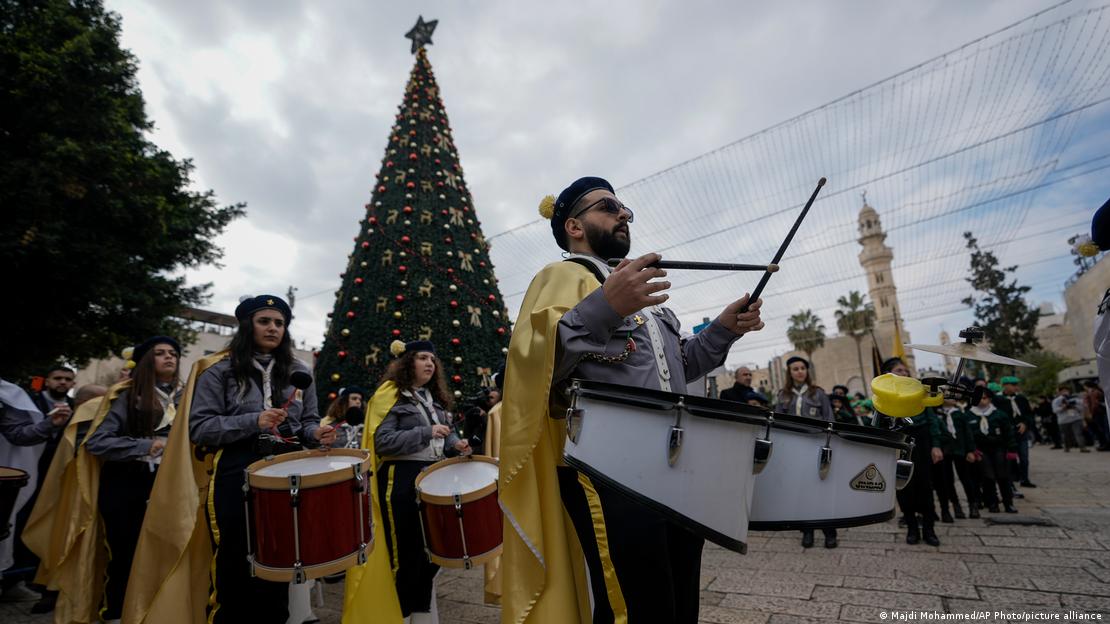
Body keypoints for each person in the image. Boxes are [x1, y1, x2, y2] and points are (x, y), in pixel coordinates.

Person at [499, 176, 764, 623]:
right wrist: (605, 306)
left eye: (625, 209)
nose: (623, 214)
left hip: (676, 466)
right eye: (608, 207)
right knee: (635, 604)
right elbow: (532, 368)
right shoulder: (558, 277)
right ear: (574, 227)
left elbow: (678, 365)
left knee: (679, 597)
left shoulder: (644, 297)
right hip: (607, 469)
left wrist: (723, 330)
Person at [183, 295, 333, 623]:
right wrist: (254, 420)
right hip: (237, 468)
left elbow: (308, 421)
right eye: (264, 321)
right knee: (235, 560)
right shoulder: (218, 370)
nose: (273, 328)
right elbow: (200, 427)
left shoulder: (300, 371)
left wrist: (316, 433)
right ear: (247, 325)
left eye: (279, 323)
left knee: (279, 558)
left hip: (288, 469)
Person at [83, 337, 180, 622]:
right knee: (125, 553)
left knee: (168, 552)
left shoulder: (188, 396)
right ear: (146, 361)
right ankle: (115, 613)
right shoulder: (125, 395)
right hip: (126, 482)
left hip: (171, 483)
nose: (169, 357)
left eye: (173, 353)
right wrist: (147, 445)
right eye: (160, 353)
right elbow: (97, 442)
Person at [372, 339, 469, 621]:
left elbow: (446, 433)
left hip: (432, 477)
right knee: (404, 554)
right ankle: (398, 614)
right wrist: (426, 432)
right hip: (400, 478)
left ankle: (421, 613)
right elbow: (382, 442)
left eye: (432, 359)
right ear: (407, 362)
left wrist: (455, 444)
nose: (429, 363)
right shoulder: (390, 396)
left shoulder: (433, 398)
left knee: (432, 551)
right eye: (422, 358)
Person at [775, 356, 837, 549]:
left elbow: (830, 419)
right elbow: (778, 423)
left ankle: (829, 532)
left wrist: (830, 446)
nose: (800, 371)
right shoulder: (783, 395)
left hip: (817, 448)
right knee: (802, 492)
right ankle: (807, 531)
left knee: (822, 490)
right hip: (795, 451)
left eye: (802, 368)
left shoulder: (818, 393)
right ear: (789, 372)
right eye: (795, 369)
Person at [882, 357, 942, 546]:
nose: (905, 373)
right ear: (889, 374)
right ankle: (912, 528)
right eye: (899, 370)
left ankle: (929, 529)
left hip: (921, 443)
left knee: (925, 486)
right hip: (897, 444)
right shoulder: (883, 396)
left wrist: (936, 445)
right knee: (903, 488)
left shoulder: (919, 393)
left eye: (906, 370)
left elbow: (932, 421)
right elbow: (878, 425)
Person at [969, 388, 1018, 513]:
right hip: (981, 450)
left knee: (1003, 476)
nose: (981, 401)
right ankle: (992, 502)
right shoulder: (969, 415)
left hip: (998, 447)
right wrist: (972, 449)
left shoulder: (999, 414)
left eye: (984, 398)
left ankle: (1008, 503)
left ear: (990, 399)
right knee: (988, 477)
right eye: (978, 398)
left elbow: (1008, 433)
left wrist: (1012, 449)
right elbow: (968, 435)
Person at [932, 397, 979, 521]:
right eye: (948, 396)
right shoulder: (936, 414)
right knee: (948, 480)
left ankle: (973, 505)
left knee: (966, 478)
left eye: (954, 396)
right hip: (945, 451)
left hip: (960, 451)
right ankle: (956, 506)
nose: (953, 398)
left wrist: (970, 450)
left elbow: (968, 433)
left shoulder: (960, 414)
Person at [993, 376, 1037, 488]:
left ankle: (1025, 479)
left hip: (1021, 432)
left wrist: (1024, 423)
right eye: (1013, 385)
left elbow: (1029, 414)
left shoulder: (1021, 398)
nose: (1016, 387)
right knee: (1010, 458)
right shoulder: (997, 399)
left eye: (1016, 385)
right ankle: (1011, 480)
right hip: (1007, 434)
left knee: (1024, 457)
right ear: (1004, 386)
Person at [1053, 385, 1088, 452]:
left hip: (1075, 418)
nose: (1065, 392)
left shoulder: (1075, 399)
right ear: (1060, 392)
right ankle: (1067, 447)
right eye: (1063, 391)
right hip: (1063, 421)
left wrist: (1074, 406)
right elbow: (1055, 410)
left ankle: (1083, 447)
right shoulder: (1056, 400)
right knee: (1066, 435)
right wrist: (1063, 407)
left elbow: (1082, 407)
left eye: (1066, 391)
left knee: (1078, 433)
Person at [1082, 381, 1109, 451]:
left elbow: (1094, 404)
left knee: (1102, 429)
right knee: (1101, 429)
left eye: (1084, 386)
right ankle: (1104, 444)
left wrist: (1091, 413)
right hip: (1099, 412)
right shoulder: (1094, 391)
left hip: (1098, 413)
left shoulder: (1093, 392)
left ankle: (1106, 445)